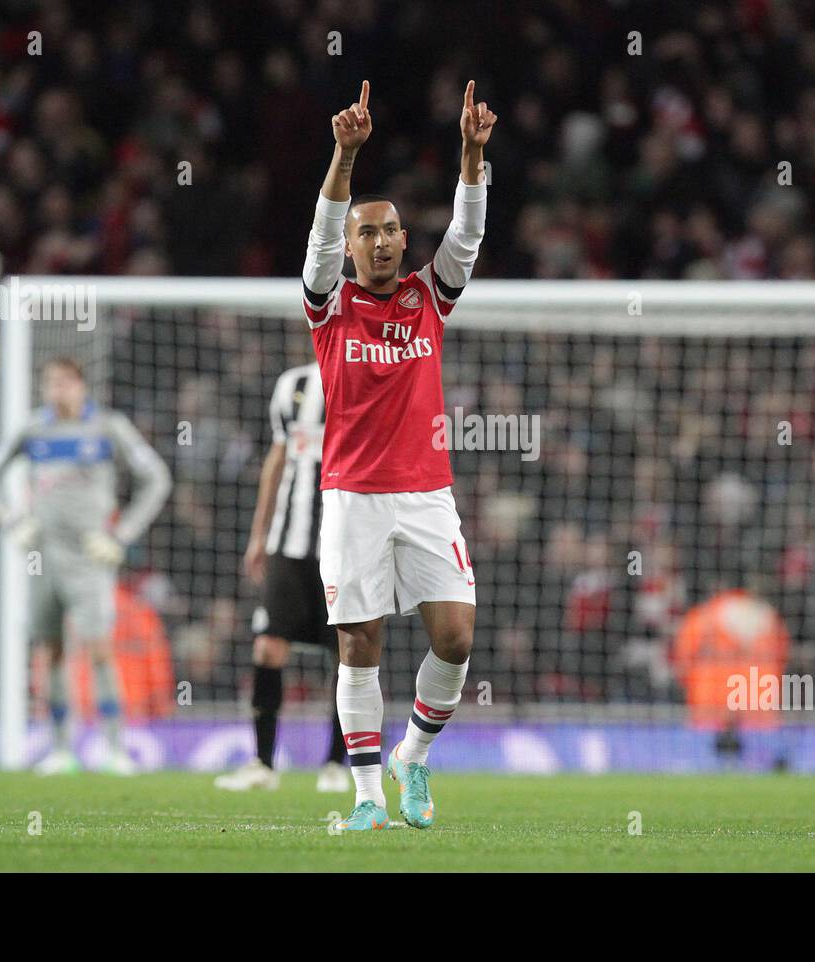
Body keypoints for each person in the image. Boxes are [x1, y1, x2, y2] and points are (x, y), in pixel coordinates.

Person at [301, 80, 496, 830]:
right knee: (361, 645)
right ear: (351, 247)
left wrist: (471, 156)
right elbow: (318, 237)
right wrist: (344, 155)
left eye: (390, 231)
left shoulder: (429, 298)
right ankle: (364, 797)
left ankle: (412, 755)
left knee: (456, 635)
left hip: (424, 493)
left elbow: (469, 237)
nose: (381, 240)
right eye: (367, 233)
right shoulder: (329, 305)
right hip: (351, 495)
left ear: (402, 241)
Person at [0, 356, 172, 774]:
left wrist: (120, 536)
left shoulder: (108, 427)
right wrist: (11, 520)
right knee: (50, 652)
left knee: (100, 649)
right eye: (50, 382)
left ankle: (115, 749)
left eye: (65, 382)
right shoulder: (33, 429)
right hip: (43, 554)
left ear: (82, 385)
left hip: (90, 557)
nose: (57, 390)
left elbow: (156, 477)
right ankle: (62, 750)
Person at [215, 362, 349, 793]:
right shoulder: (291, 383)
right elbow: (278, 456)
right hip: (286, 544)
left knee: (348, 652)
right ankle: (262, 763)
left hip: (344, 544)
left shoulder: (365, 376)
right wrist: (259, 535)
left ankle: (335, 763)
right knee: (268, 646)